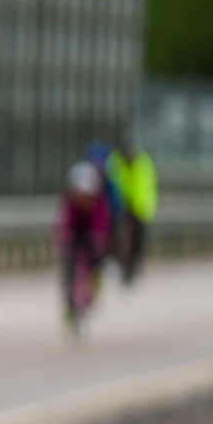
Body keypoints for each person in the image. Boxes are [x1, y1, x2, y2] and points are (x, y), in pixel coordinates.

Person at [57, 160, 112, 325]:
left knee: (96, 258)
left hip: (91, 233)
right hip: (77, 233)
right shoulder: (70, 202)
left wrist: (99, 239)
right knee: (69, 267)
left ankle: (95, 280)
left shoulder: (98, 204)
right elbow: (64, 222)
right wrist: (63, 237)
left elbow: (101, 224)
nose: (83, 198)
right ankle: (70, 304)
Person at [107, 135, 157, 283]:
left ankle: (137, 260)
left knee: (139, 236)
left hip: (139, 206)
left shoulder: (143, 164)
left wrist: (140, 209)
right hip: (120, 205)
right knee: (113, 232)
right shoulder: (114, 162)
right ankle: (116, 259)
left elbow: (145, 189)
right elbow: (111, 185)